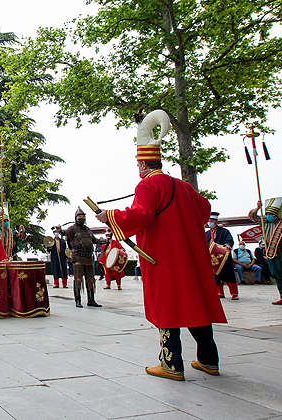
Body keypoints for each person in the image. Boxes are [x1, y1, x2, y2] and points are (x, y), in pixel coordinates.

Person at [96, 109, 226, 381]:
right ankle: (209, 360)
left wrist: (108, 216)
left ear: (143, 165)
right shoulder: (183, 186)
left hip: (163, 258)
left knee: (166, 307)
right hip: (190, 257)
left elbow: (140, 215)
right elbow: (204, 211)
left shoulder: (147, 186)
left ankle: (171, 364)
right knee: (195, 304)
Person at [65, 207, 102, 308]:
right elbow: (65, 234)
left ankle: (91, 300)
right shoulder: (72, 229)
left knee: (91, 279)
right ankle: (78, 300)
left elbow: (94, 240)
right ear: (76, 218)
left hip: (89, 257)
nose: (81, 218)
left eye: (83, 216)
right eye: (79, 216)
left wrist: (103, 241)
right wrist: (60, 231)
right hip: (78, 257)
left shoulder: (88, 230)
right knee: (78, 279)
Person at [206, 212, 238, 300]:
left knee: (229, 275)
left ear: (216, 221)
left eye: (212, 221)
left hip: (224, 257)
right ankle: (220, 293)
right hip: (213, 258)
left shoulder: (224, 231)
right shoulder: (207, 233)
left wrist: (227, 245)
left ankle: (234, 293)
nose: (210, 222)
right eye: (209, 221)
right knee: (216, 275)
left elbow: (229, 240)